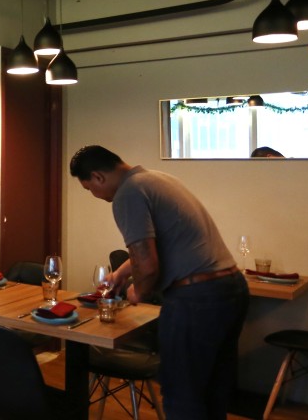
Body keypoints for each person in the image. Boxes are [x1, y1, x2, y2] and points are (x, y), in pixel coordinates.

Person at [69, 145, 248, 419]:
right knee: (213, 392)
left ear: (98, 177)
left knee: (182, 395)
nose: (94, 195)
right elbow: (164, 244)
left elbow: (148, 265)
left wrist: (137, 291)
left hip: (196, 299)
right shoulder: (157, 178)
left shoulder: (127, 194)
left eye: (89, 188)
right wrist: (122, 273)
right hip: (230, 288)